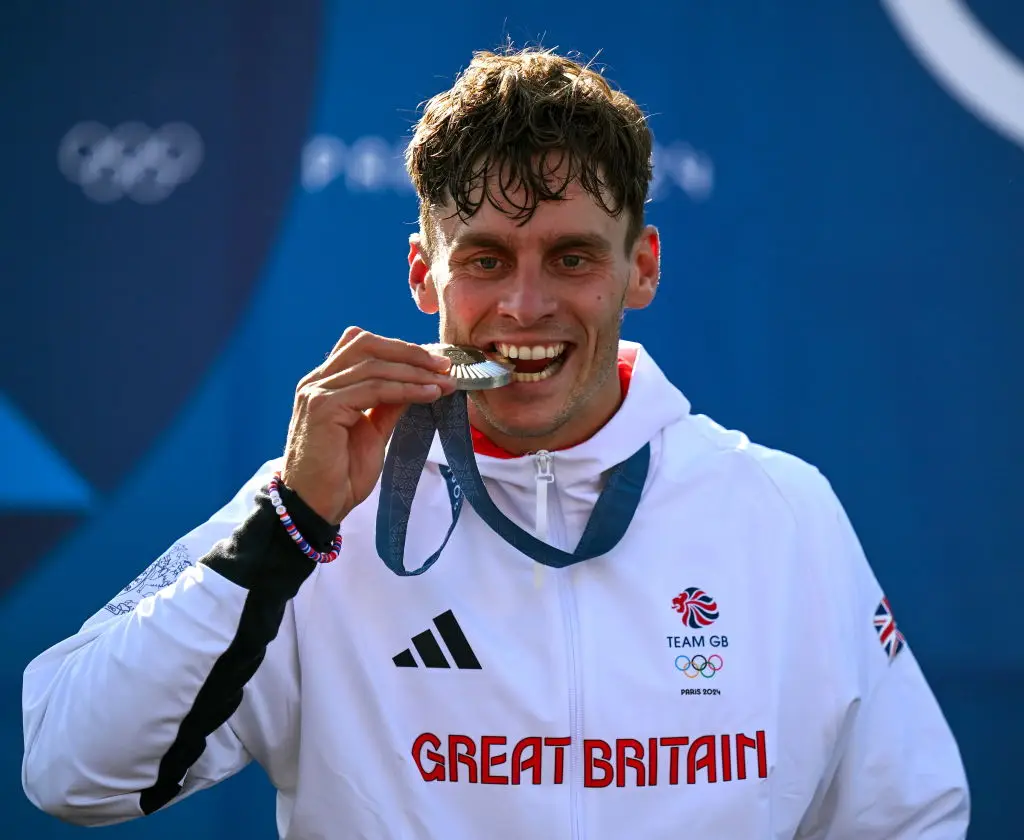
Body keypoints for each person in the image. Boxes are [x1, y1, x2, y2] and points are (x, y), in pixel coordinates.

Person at [22, 47, 969, 839]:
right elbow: (71, 771)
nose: (525, 306)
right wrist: (291, 525)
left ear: (641, 266)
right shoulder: (316, 516)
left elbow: (908, 816)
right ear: (423, 275)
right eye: (484, 259)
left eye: (572, 256)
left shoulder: (780, 511)